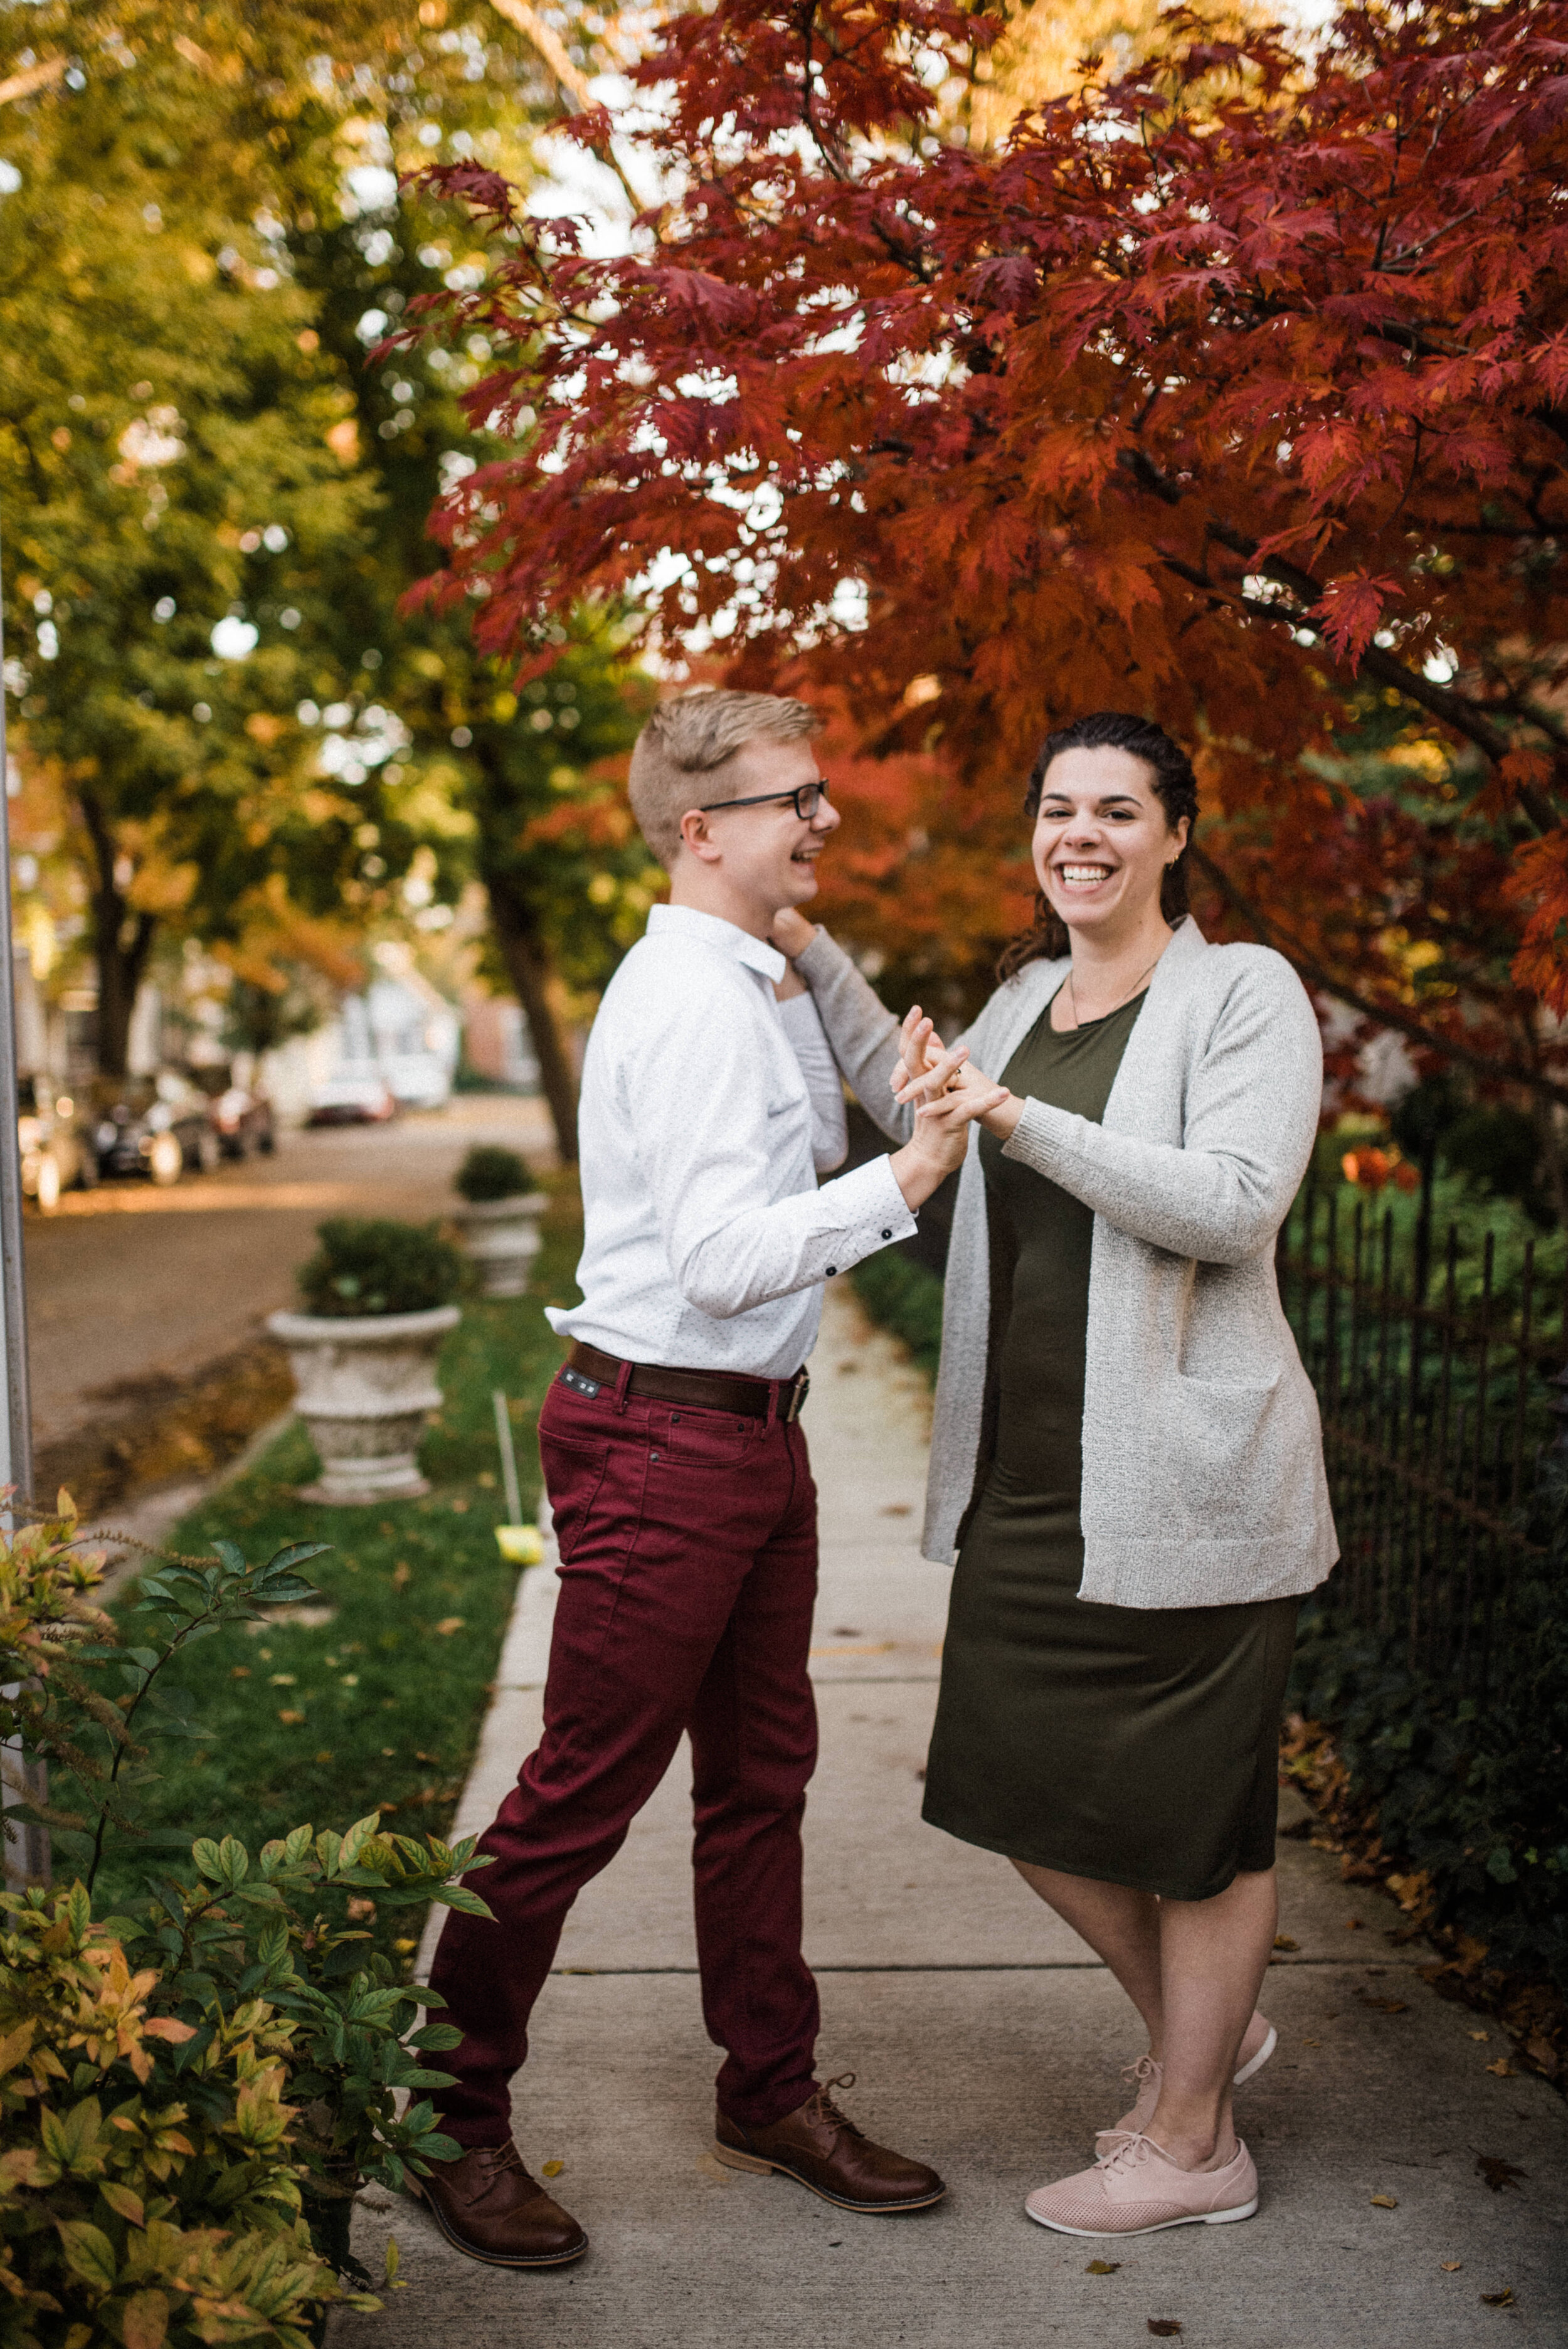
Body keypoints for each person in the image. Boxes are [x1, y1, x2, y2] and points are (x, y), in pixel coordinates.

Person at [415, 688, 997, 2269]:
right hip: (661, 1435)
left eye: (814, 791)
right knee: (576, 1796)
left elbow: (809, 1149)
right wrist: (908, 1179)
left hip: (750, 1433)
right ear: (698, 828)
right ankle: (446, 2114)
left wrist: (879, 1074)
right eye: (790, 799)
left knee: (759, 1784)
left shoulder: (757, 980)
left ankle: (770, 2090)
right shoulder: (679, 1002)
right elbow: (729, 1259)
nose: (821, 818)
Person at [778, 710, 1335, 2240]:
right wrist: (817, 956)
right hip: (1032, 1479)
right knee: (1006, 1787)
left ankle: (1190, 2137)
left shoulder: (1239, 992)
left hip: (1187, 1482)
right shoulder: (1025, 991)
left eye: (1113, 809)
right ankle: (1208, 2037)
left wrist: (1019, 1112)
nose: (1076, 832)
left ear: (1173, 833)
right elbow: (939, 1117)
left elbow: (1228, 1207)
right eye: (1054, 808)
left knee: (1197, 1824)